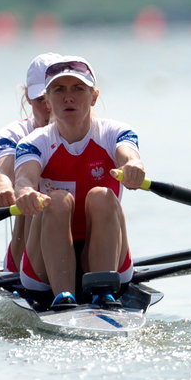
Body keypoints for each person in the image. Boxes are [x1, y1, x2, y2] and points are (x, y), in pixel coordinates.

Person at [13, 56, 145, 310]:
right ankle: (63, 295)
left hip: (107, 253)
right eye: (59, 90)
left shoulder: (114, 132)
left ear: (94, 97)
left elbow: (129, 154)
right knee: (58, 199)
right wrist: (26, 191)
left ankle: (103, 290)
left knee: (102, 195)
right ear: (48, 100)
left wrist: (134, 166)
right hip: (43, 266)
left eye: (78, 89)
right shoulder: (33, 143)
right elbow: (24, 178)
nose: (68, 97)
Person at [0, 52, 62, 273]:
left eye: (54, 96)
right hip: (28, 247)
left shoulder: (98, 131)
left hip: (83, 239)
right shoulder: (13, 134)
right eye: (41, 99)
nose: (49, 106)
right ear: (27, 97)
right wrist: (3, 188)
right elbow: (2, 172)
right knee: (35, 199)